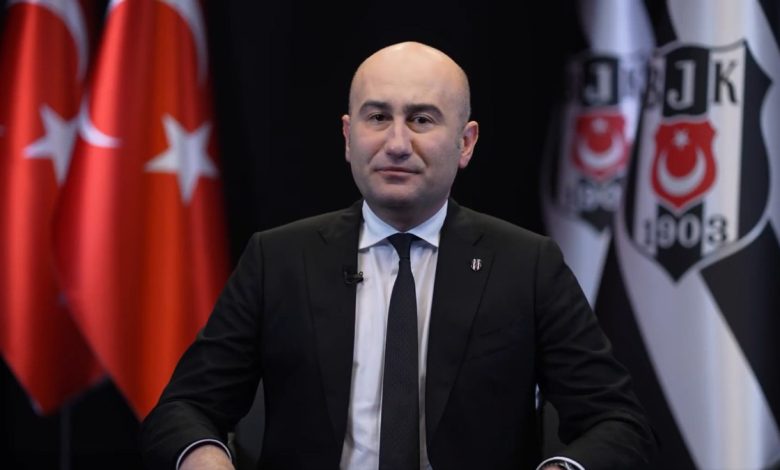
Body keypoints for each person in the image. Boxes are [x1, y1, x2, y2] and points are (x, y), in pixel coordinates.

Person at [141, 41, 656, 470]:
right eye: (378, 117)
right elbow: (184, 408)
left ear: (466, 143)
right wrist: (205, 459)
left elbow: (618, 422)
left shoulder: (528, 265)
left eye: (422, 119)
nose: (396, 143)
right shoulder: (277, 260)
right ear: (348, 137)